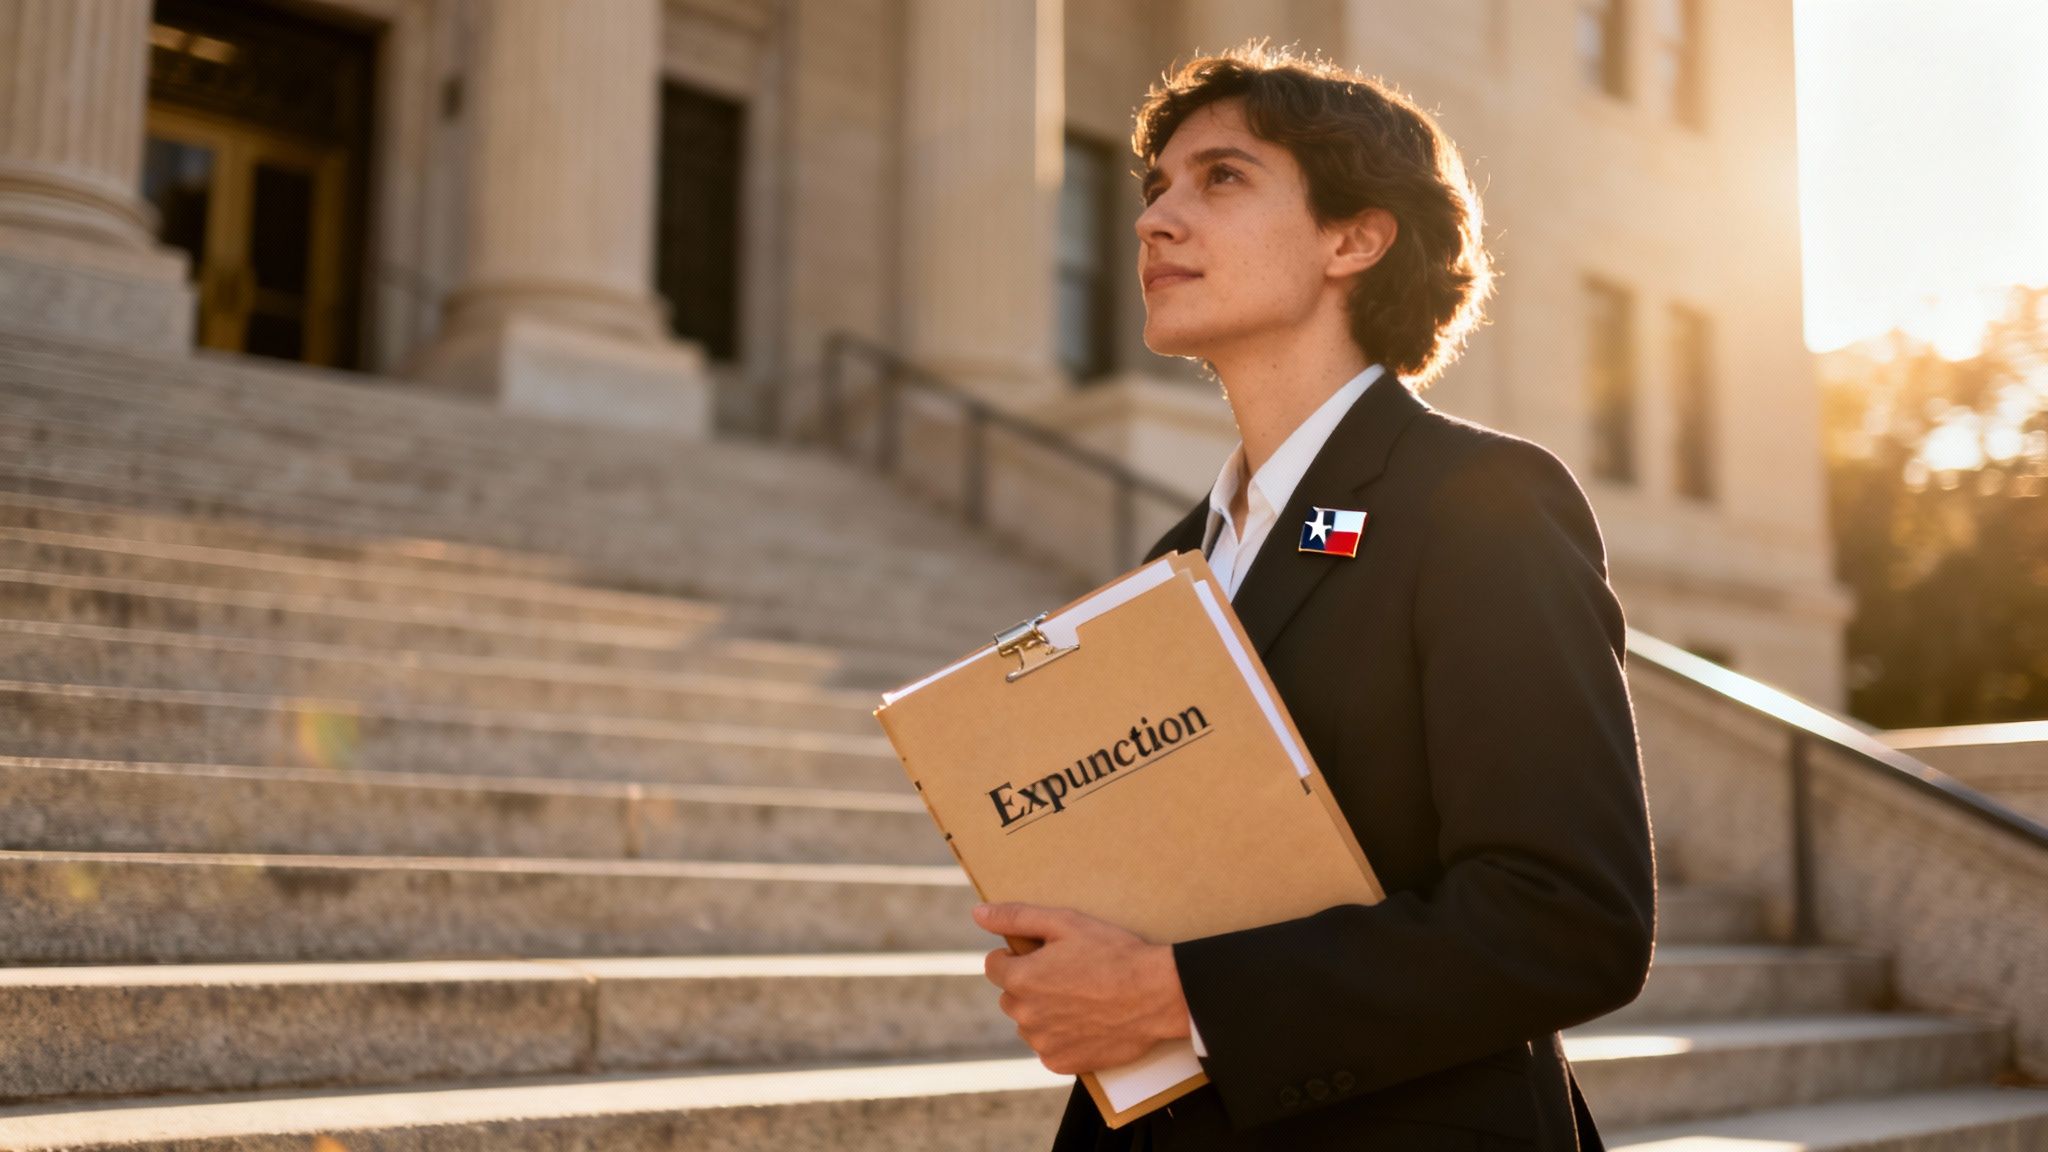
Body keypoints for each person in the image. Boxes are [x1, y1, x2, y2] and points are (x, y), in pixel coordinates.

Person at [969, 44, 1658, 1152]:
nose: (1152, 222)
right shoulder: (1172, 558)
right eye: (1155, 191)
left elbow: (1571, 920)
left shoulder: (1479, 501)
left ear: (1354, 236)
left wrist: (1178, 995)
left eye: (1220, 179)